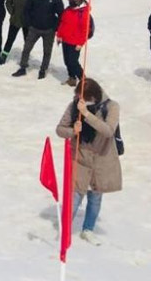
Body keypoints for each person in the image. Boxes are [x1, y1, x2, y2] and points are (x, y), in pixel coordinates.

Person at [55, 78, 121, 246]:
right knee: (74, 196)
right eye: (78, 98)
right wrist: (73, 131)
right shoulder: (74, 106)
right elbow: (60, 130)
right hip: (80, 158)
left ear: (94, 96)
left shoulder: (112, 107)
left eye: (84, 99)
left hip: (102, 159)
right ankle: (64, 230)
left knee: (96, 196)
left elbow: (108, 131)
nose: (80, 101)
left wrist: (87, 115)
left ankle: (88, 229)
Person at [13, 0, 64, 79]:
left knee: (47, 51)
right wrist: (29, 23)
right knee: (27, 48)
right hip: (34, 28)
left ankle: (43, 70)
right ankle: (22, 67)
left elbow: (61, 15)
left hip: (49, 30)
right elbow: (26, 10)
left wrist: (55, 27)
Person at [56, 0, 92, 86]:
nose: (69, 1)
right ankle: (72, 78)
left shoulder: (83, 13)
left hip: (75, 42)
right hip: (65, 40)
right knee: (67, 61)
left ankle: (84, 80)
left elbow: (85, 30)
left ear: (77, 0)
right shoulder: (68, 9)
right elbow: (62, 23)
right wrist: (59, 35)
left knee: (73, 62)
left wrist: (80, 43)